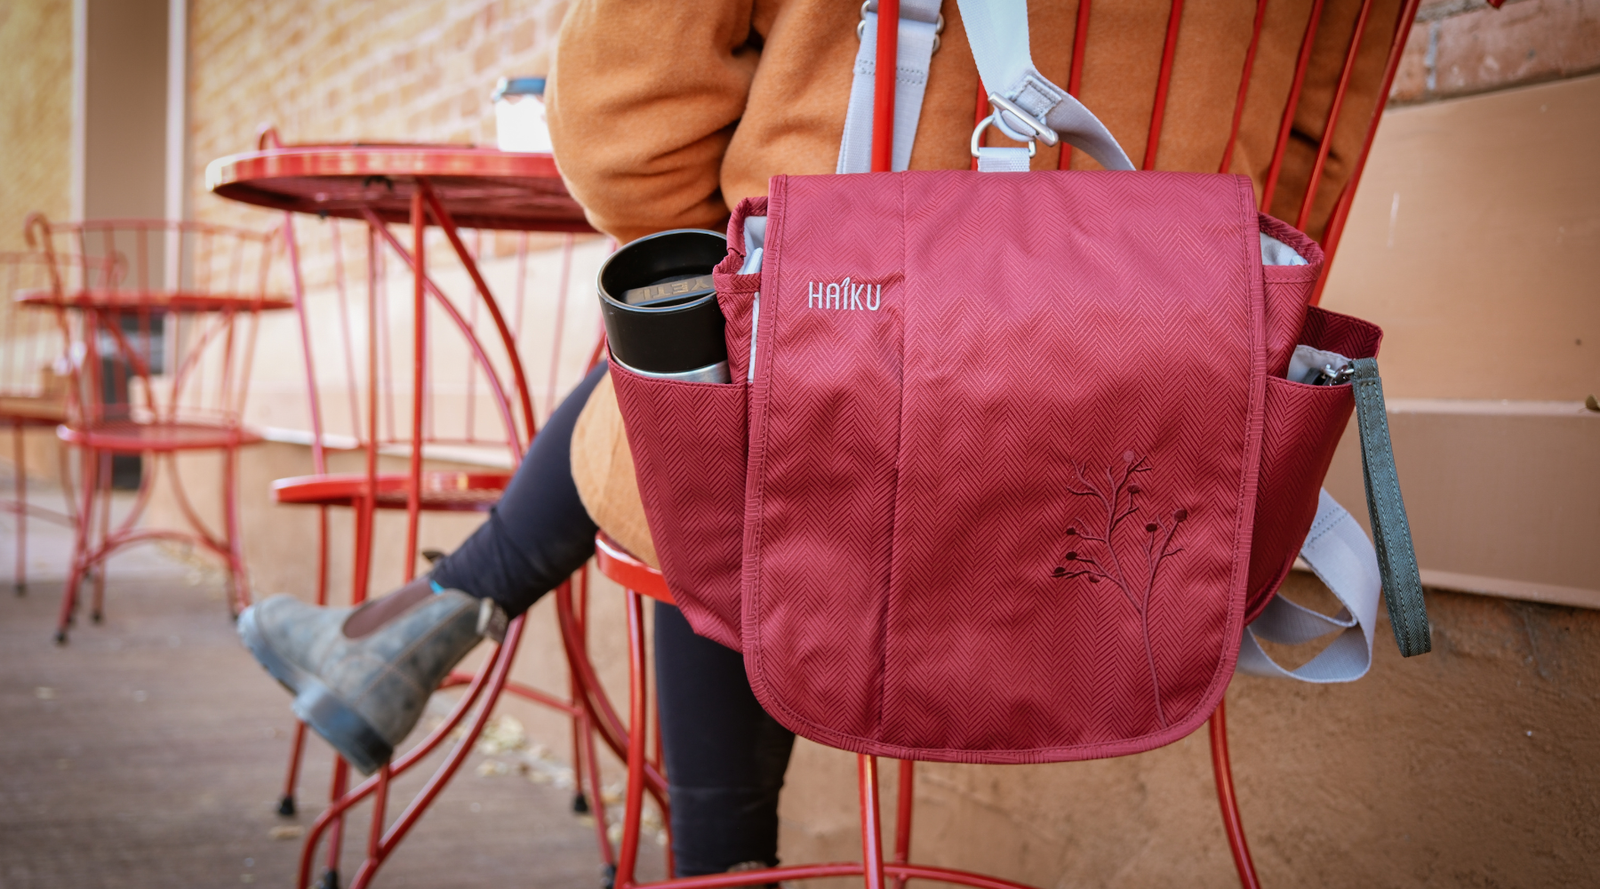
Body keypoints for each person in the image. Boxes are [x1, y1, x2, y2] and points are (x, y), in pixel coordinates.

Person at [242, 0, 1398, 876]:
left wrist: (787, 270)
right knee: (737, 376)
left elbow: (621, 132)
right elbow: (1311, 153)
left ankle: (697, 841)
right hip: (1157, 436)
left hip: (827, 424)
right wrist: (1156, 270)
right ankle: (413, 626)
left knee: (711, 373)